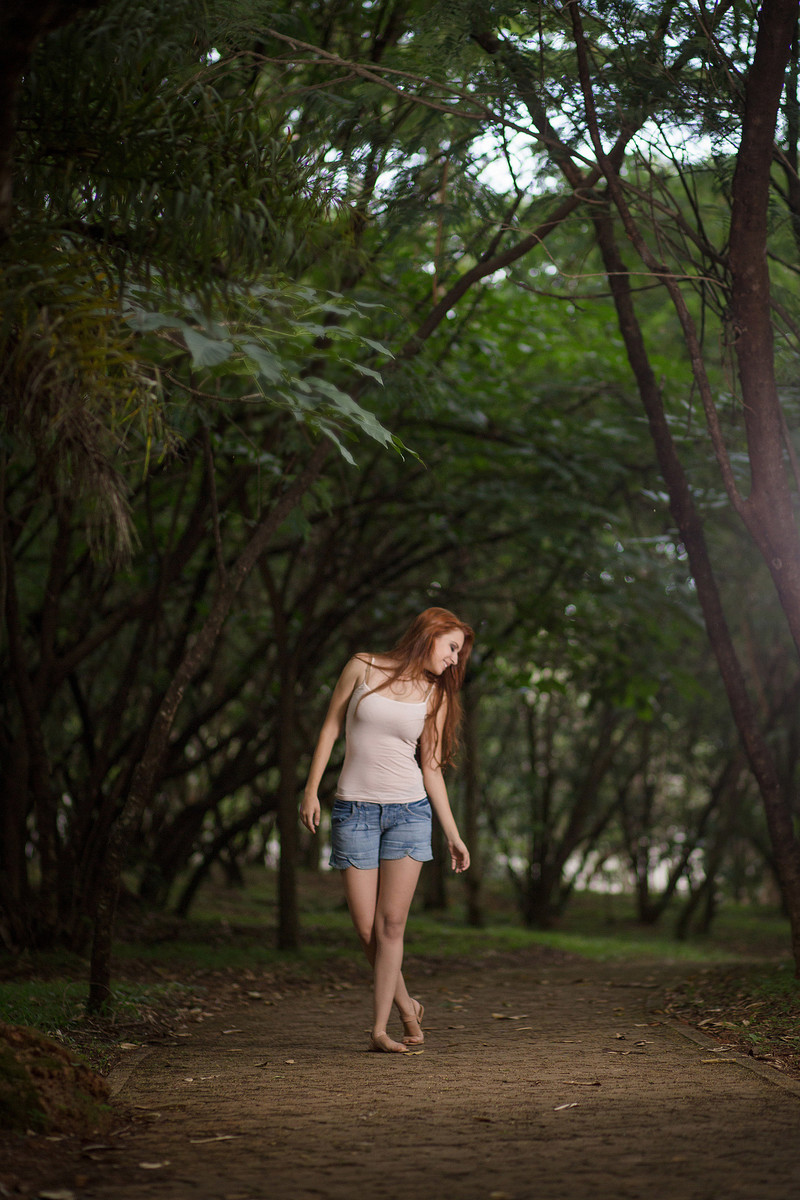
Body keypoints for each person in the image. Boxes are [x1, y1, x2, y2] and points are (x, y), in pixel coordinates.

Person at [299, 607, 474, 1053]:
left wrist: (453, 834)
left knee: (391, 925)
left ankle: (381, 1029)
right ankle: (408, 1005)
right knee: (365, 930)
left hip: (409, 814)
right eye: (452, 647)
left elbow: (431, 768)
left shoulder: (437, 696)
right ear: (430, 634)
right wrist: (310, 789)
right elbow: (331, 727)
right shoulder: (362, 666)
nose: (456, 659)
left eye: (460, 652)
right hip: (353, 810)